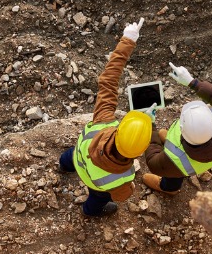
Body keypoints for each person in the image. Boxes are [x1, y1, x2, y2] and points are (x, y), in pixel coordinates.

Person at [58, 18, 153, 217]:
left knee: (69, 157)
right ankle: (90, 212)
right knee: (98, 200)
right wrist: (131, 189)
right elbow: (121, 195)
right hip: (95, 184)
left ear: (119, 129)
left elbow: (109, 79)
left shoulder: (104, 121)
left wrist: (128, 40)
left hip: (79, 157)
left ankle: (64, 166)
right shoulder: (124, 176)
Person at [142, 63, 212, 194]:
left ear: (181, 130)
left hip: (180, 166)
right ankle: (169, 145)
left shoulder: (175, 160)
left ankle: (170, 188)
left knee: (173, 175)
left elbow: (152, 161)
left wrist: (150, 125)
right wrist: (192, 82)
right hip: (207, 155)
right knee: (176, 166)